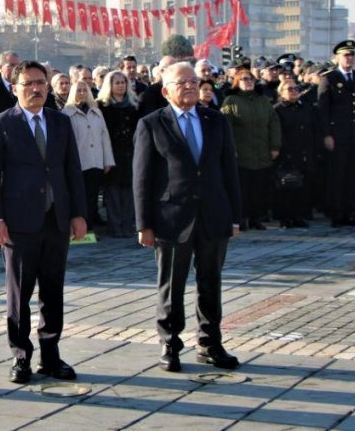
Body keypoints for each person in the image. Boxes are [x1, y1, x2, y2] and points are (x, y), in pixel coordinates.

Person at [0, 60, 88, 384]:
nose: (36, 88)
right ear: (15, 88)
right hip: (18, 224)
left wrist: (79, 214)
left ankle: (51, 356)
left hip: (55, 220)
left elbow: (72, 169)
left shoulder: (60, 122)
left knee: (53, 291)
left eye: (40, 82)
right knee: (20, 294)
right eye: (28, 83)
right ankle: (21, 356)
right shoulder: (1, 123)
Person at [133, 62, 242, 373]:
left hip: (213, 214)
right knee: (171, 285)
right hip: (171, 218)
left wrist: (235, 216)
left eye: (194, 81)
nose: (191, 86)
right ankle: (170, 343)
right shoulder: (152, 124)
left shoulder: (216, 120)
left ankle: (210, 343)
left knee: (211, 282)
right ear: (166, 90)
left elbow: (229, 172)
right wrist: (144, 224)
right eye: (182, 82)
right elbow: (141, 178)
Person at [317, 40, 355, 227]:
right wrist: (327, 134)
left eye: (351, 55)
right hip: (337, 135)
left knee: (353, 175)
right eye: (346, 55)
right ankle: (336, 213)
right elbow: (323, 110)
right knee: (337, 175)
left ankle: (350, 212)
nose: (349, 58)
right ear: (337, 58)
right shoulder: (329, 78)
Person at [221, 69, 281, 231]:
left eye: (251, 79)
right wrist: (230, 149)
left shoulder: (262, 100)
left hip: (261, 151)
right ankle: (241, 218)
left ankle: (255, 218)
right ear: (237, 82)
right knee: (242, 188)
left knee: (258, 188)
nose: (249, 82)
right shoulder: (231, 101)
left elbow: (273, 123)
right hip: (241, 153)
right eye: (244, 79)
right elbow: (226, 127)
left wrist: (275, 146)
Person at [63, 80, 114, 231]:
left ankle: (89, 228)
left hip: (95, 161)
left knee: (92, 198)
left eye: (85, 90)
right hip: (78, 163)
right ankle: (77, 229)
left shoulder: (96, 112)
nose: (82, 93)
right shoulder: (66, 113)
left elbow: (104, 137)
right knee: (78, 198)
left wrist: (107, 160)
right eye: (78, 90)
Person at [273, 77, 319, 228]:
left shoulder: (305, 107)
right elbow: (277, 132)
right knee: (287, 186)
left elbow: (311, 129)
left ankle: (299, 215)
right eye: (290, 89)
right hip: (287, 153)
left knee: (302, 186)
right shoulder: (277, 109)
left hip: (305, 151)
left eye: (296, 89)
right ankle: (286, 217)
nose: (294, 92)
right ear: (282, 92)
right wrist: (284, 150)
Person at [99, 71, 140, 238]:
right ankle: (115, 226)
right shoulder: (102, 106)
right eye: (117, 82)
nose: (121, 85)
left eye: (123, 82)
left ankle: (127, 225)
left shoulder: (134, 105)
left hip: (130, 152)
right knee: (113, 190)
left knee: (129, 190)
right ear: (110, 85)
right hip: (111, 152)